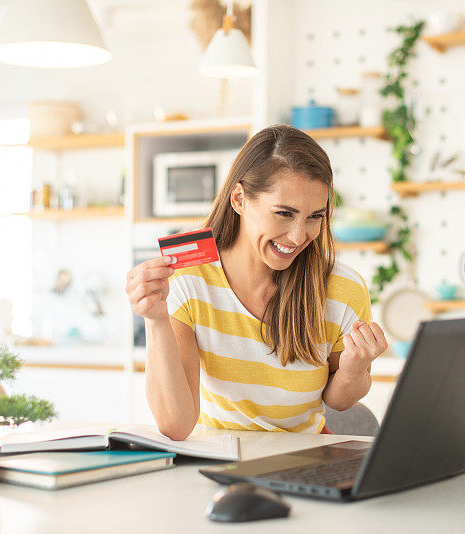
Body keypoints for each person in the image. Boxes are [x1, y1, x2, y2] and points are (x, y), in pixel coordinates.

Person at [125, 124, 388, 440]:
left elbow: (339, 402)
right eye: (283, 213)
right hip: (218, 460)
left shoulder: (342, 289)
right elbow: (177, 425)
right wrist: (156, 321)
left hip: (302, 460)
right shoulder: (191, 278)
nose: (298, 236)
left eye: (315, 217)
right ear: (239, 199)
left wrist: (353, 369)